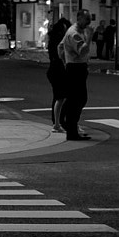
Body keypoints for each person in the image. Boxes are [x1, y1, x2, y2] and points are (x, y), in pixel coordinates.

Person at [59, 8, 94, 140]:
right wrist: (90, 37)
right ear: (79, 18)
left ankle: (69, 124)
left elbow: (60, 47)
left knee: (76, 98)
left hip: (75, 66)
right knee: (78, 99)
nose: (89, 23)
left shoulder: (77, 31)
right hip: (75, 68)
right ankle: (70, 127)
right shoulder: (74, 33)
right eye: (87, 20)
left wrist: (65, 60)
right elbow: (83, 51)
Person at [46, 16, 71, 133]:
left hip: (54, 69)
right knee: (61, 97)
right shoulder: (60, 41)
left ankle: (58, 121)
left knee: (59, 97)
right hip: (58, 69)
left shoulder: (53, 39)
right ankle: (58, 122)